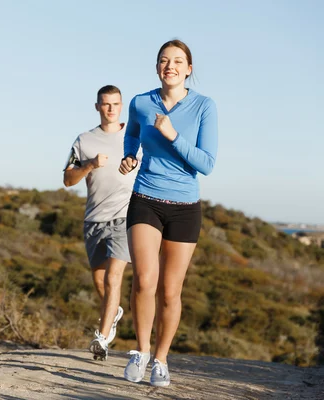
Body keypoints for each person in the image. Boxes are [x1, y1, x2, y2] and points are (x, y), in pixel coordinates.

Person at [119, 39, 218, 387]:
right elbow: (132, 134)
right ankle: (141, 351)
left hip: (185, 207)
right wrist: (129, 156)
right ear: (157, 67)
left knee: (171, 290)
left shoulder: (205, 106)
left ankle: (161, 359)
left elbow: (206, 163)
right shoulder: (141, 102)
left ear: (189, 69)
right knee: (145, 280)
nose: (170, 66)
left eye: (178, 61)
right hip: (146, 197)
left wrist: (172, 134)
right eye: (164, 60)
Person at [63, 85, 140, 361]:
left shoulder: (134, 136)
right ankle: (114, 311)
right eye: (105, 104)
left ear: (121, 106)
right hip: (94, 219)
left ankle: (102, 337)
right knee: (100, 281)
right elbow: (68, 180)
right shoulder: (84, 140)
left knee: (113, 277)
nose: (110, 109)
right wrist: (90, 166)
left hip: (124, 216)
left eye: (115, 104)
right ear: (97, 107)